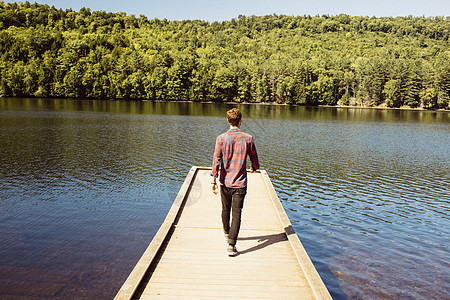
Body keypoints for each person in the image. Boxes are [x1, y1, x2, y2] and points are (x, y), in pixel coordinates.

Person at [211, 108, 260, 256]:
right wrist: (254, 167)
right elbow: (254, 157)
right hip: (240, 183)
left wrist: (213, 179)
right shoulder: (248, 138)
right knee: (237, 213)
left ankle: (227, 233)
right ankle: (231, 245)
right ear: (240, 121)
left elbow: (216, 160)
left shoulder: (221, 138)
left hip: (225, 181)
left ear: (228, 120)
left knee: (225, 209)